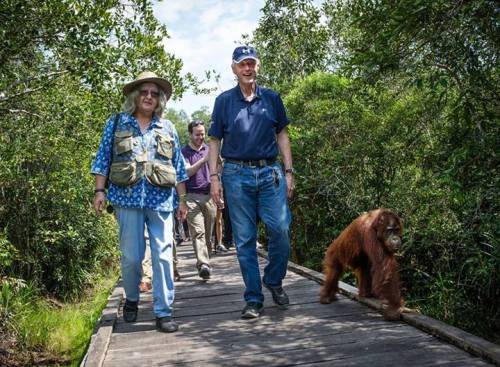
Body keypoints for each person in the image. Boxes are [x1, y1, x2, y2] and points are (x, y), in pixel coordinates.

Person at [91, 71, 188, 333]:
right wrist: (99, 191)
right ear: (135, 96)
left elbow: (178, 167)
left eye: (154, 94)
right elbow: (102, 159)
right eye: (144, 92)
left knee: (164, 256)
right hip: (127, 199)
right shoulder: (117, 123)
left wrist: (182, 200)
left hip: (161, 201)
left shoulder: (167, 128)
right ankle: (132, 298)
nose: (148, 97)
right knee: (132, 258)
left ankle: (163, 311)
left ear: (160, 100)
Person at [208, 46, 294, 319]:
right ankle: (254, 298)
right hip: (235, 175)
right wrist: (214, 178)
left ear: (257, 66)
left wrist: (289, 171)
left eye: (251, 64)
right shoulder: (224, 101)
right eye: (242, 64)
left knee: (280, 229)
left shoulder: (271, 98)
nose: (247, 68)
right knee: (245, 240)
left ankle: (273, 278)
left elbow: (282, 134)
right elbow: (214, 141)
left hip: (270, 172)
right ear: (234, 69)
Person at [181, 120, 217, 280]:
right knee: (198, 232)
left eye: (202, 134)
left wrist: (219, 193)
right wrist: (204, 160)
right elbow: (187, 173)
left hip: (209, 196)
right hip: (191, 197)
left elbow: (218, 171)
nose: (200, 137)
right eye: (197, 134)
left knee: (208, 236)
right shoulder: (184, 152)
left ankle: (205, 261)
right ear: (190, 134)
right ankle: (203, 264)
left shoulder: (210, 149)